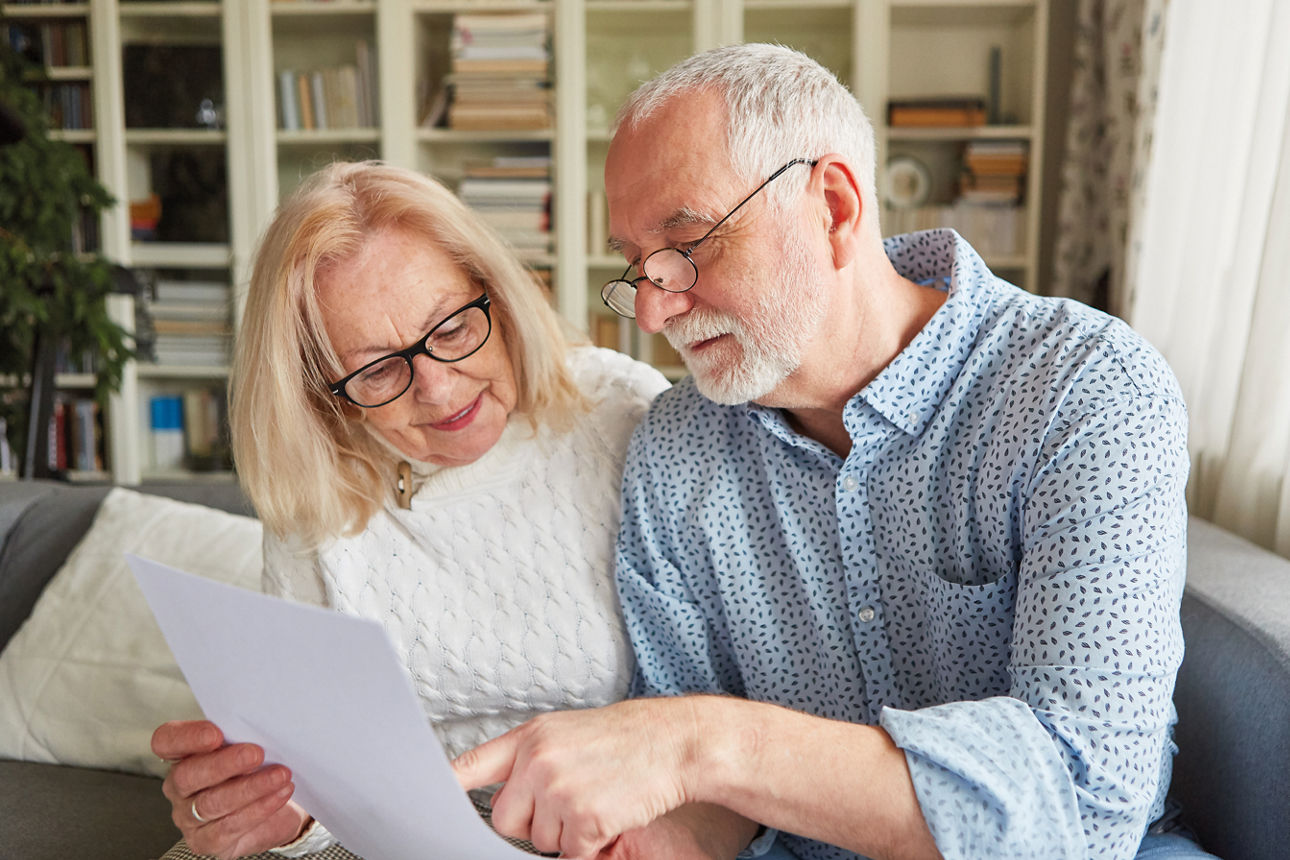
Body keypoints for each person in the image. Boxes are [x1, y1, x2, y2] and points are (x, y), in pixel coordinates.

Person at [453, 44, 1214, 860]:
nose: (651, 312)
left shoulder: (1081, 390)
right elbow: (708, 801)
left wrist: (698, 744)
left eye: (687, 245)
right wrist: (658, 837)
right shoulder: (677, 447)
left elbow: (1084, 804)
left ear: (833, 207)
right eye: (637, 265)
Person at [149, 160, 670, 860]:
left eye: (452, 328)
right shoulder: (319, 490)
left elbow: (705, 708)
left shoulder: (622, 415)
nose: (437, 387)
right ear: (322, 392)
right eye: (377, 369)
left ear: (500, 295)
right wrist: (277, 814)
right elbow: (321, 779)